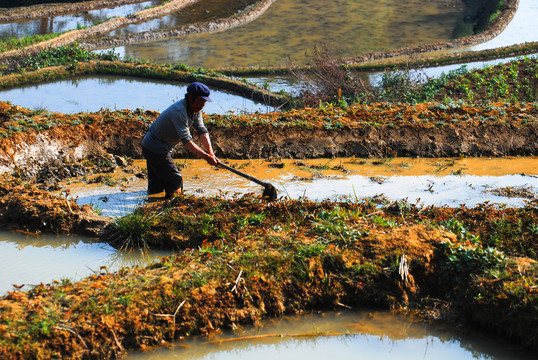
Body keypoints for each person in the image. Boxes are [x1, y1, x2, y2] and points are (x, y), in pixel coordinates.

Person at [141, 82, 219, 199]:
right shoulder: (179, 111)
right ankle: (171, 208)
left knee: (156, 188)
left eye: (204, 102)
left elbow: (202, 130)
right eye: (200, 101)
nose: (202, 105)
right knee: (175, 180)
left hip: (153, 146)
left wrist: (211, 153)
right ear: (189, 98)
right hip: (155, 148)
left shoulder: (195, 109)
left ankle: (151, 206)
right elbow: (187, 141)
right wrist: (206, 157)